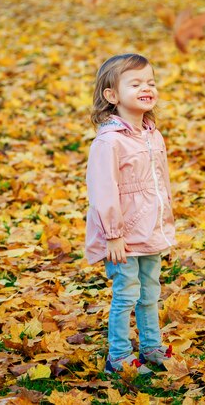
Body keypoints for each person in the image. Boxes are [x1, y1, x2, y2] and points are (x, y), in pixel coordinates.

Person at [85, 53, 176, 374]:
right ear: (112, 96)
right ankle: (119, 356)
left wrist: (165, 222)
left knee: (151, 291)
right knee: (126, 294)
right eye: (135, 83)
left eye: (150, 82)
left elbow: (159, 184)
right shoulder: (109, 142)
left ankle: (151, 346)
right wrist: (113, 234)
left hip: (150, 230)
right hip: (121, 236)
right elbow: (102, 191)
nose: (146, 88)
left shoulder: (152, 134)